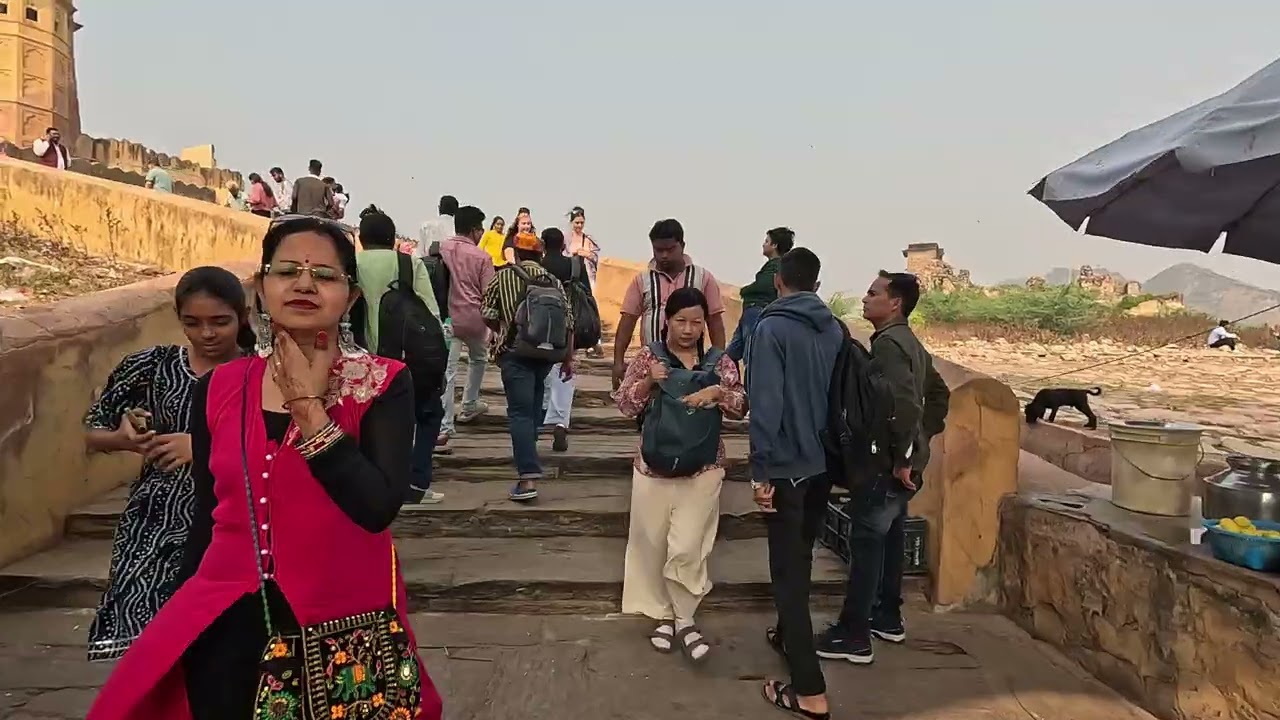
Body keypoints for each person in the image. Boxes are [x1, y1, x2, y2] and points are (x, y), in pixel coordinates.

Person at [86, 215, 443, 720]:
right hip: (226, 622)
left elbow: (376, 507)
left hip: (339, 632)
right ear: (262, 287)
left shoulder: (383, 383)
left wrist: (310, 410)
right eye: (287, 271)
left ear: (351, 296)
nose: (304, 283)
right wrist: (180, 621)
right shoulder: (220, 388)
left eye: (324, 274)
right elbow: (209, 520)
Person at [82, 267, 251, 663]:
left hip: (228, 517)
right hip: (154, 517)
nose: (207, 334)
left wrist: (204, 448)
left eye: (219, 322)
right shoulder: (152, 365)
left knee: (216, 643)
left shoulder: (261, 374)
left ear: (242, 317)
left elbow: (284, 443)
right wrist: (123, 439)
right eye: (192, 323)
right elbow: (93, 430)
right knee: (148, 642)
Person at [815, 271, 949, 666]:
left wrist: (905, 456)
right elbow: (938, 395)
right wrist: (923, 441)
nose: (865, 298)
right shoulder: (908, 341)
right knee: (889, 539)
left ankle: (854, 633)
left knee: (867, 542)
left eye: (873, 293)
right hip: (902, 464)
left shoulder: (890, 345)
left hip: (888, 466)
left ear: (895, 304)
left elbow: (905, 403)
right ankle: (887, 616)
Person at [615, 287, 745, 663]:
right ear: (666, 321)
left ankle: (684, 617)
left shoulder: (719, 361)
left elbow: (740, 406)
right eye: (680, 321)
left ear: (706, 323)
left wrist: (719, 393)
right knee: (652, 544)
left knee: (689, 544)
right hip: (653, 467)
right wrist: (649, 381)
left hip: (703, 467)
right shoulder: (649, 357)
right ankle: (664, 616)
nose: (688, 330)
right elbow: (625, 405)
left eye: (697, 322)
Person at [748, 248, 843, 719]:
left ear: (778, 281)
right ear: (816, 284)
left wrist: (760, 471)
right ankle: (789, 636)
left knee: (788, 576)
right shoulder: (833, 328)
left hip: (785, 466)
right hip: (822, 466)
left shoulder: (771, 328)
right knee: (800, 557)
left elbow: (766, 407)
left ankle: (809, 690)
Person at [355, 205, 445, 504]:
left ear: (362, 239)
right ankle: (417, 482)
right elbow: (431, 315)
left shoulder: (350, 265)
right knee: (428, 416)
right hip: (406, 358)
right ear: (393, 238)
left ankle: (373, 481)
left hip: (359, 357)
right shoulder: (407, 264)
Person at [481, 230, 574, 502]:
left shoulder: (503, 276)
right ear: (540, 254)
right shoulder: (553, 281)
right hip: (546, 355)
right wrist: (568, 358)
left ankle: (527, 477)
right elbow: (568, 322)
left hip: (515, 353)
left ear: (517, 253)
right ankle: (528, 454)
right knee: (533, 410)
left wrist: (503, 330)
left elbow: (487, 312)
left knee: (520, 413)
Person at [613, 219, 727, 390]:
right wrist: (618, 362)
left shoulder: (702, 278)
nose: (664, 255)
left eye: (670, 249)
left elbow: (715, 322)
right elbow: (627, 322)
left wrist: (718, 362)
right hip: (652, 367)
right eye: (659, 250)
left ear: (682, 245)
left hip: (693, 369)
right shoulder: (642, 281)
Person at [437, 205, 497, 453]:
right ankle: (470, 404)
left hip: (448, 317)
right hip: (475, 318)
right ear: (473, 230)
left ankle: (444, 425)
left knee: (448, 373)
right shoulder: (482, 257)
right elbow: (490, 292)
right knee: (479, 358)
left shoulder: (442, 248)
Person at [539, 227, 594, 451]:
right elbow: (588, 295)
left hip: (540, 326)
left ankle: (541, 413)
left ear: (543, 245)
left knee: (541, 370)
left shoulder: (537, 266)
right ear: (563, 245)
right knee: (565, 370)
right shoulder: (574, 265)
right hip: (568, 325)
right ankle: (560, 421)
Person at [728, 227, 793, 364]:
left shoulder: (776, 266)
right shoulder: (776, 266)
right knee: (730, 355)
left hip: (756, 311)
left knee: (751, 356)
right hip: (752, 312)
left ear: (774, 245)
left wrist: (744, 291)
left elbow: (763, 286)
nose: (764, 244)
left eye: (767, 241)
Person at [566, 206, 604, 358]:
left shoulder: (588, 239)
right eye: (576, 223)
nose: (579, 226)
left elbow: (596, 257)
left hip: (587, 276)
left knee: (590, 306)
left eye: (581, 222)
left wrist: (586, 254)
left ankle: (593, 340)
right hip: (572, 276)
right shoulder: (566, 238)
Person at [416, 195, 458, 260]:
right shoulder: (459, 228)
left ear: (439, 208)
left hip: (429, 266)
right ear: (456, 211)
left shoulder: (426, 226)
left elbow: (420, 253)